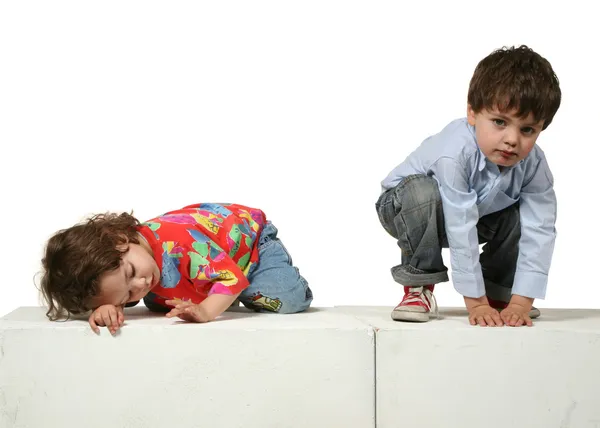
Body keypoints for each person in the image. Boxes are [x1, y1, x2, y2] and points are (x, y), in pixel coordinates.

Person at [376, 45, 561, 327]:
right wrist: (475, 304)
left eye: (527, 130)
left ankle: (499, 288)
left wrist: (522, 301)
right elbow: (460, 224)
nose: (512, 139)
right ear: (472, 113)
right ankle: (418, 287)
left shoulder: (534, 164)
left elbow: (540, 229)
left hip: (476, 216)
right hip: (407, 209)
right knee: (422, 192)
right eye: (500, 122)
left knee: (521, 213)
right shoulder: (455, 152)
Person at [40, 202, 313, 334]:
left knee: (288, 301)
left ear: (121, 239)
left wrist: (207, 311)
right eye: (126, 297)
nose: (141, 284)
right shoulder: (129, 265)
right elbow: (117, 287)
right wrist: (108, 307)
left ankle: (226, 290)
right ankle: (215, 288)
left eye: (131, 273)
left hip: (250, 245)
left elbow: (231, 277)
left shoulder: (180, 244)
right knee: (162, 304)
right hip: (205, 265)